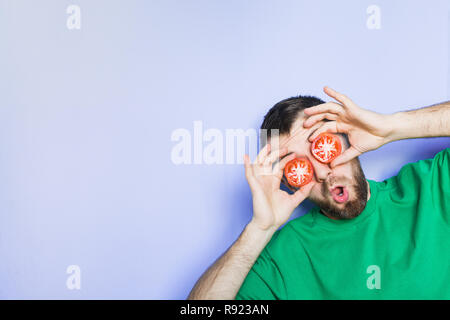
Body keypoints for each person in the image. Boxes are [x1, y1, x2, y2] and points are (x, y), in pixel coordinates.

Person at [188, 87, 450, 299]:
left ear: (347, 136)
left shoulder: (429, 188)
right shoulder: (286, 255)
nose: (322, 174)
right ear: (288, 181)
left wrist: (391, 127)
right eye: (297, 166)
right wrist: (259, 230)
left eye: (322, 147)